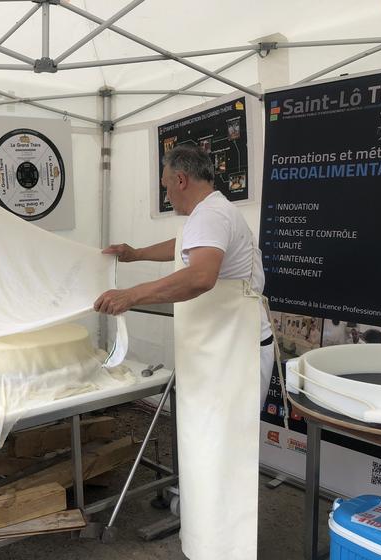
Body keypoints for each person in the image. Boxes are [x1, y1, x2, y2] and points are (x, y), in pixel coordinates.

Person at [93, 144, 272, 560]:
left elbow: (201, 276)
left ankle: (224, 547)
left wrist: (131, 294)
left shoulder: (211, 214)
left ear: (180, 179)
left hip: (236, 355)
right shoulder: (211, 213)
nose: (165, 193)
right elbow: (184, 247)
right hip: (226, 351)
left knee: (223, 451)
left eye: (165, 186)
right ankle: (207, 527)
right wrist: (136, 254)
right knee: (211, 448)